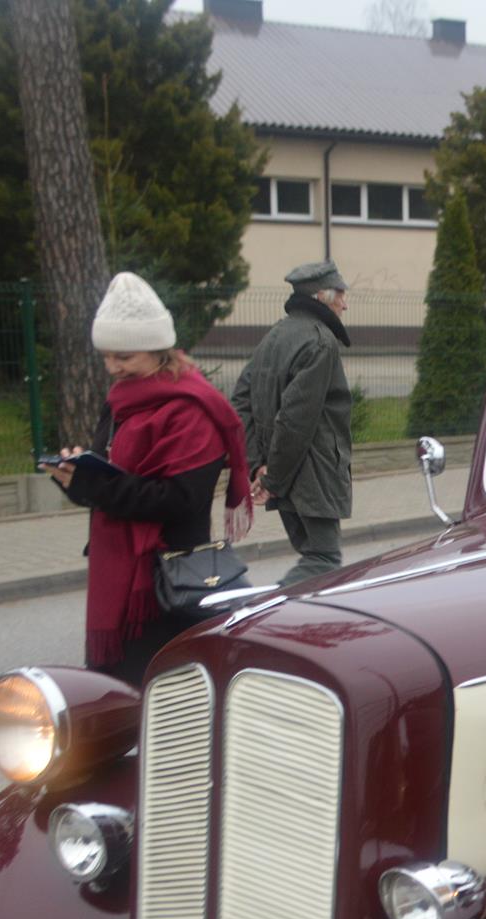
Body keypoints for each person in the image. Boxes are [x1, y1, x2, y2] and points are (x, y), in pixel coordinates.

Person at [49, 271, 252, 686]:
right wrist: (73, 476)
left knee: (159, 694)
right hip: (119, 578)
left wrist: (94, 485)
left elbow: (180, 499)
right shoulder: (121, 401)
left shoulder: (192, 409)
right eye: (107, 356)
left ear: (159, 350)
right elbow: (108, 482)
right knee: (117, 693)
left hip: (167, 585)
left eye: (124, 357)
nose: (113, 367)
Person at [231, 260, 353, 587]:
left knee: (313, 562)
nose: (345, 304)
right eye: (341, 295)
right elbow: (295, 421)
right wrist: (272, 478)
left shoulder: (274, 336)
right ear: (321, 297)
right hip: (310, 476)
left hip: (283, 475)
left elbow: (240, 402)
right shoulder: (320, 342)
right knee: (324, 561)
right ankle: (268, 608)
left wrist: (259, 466)